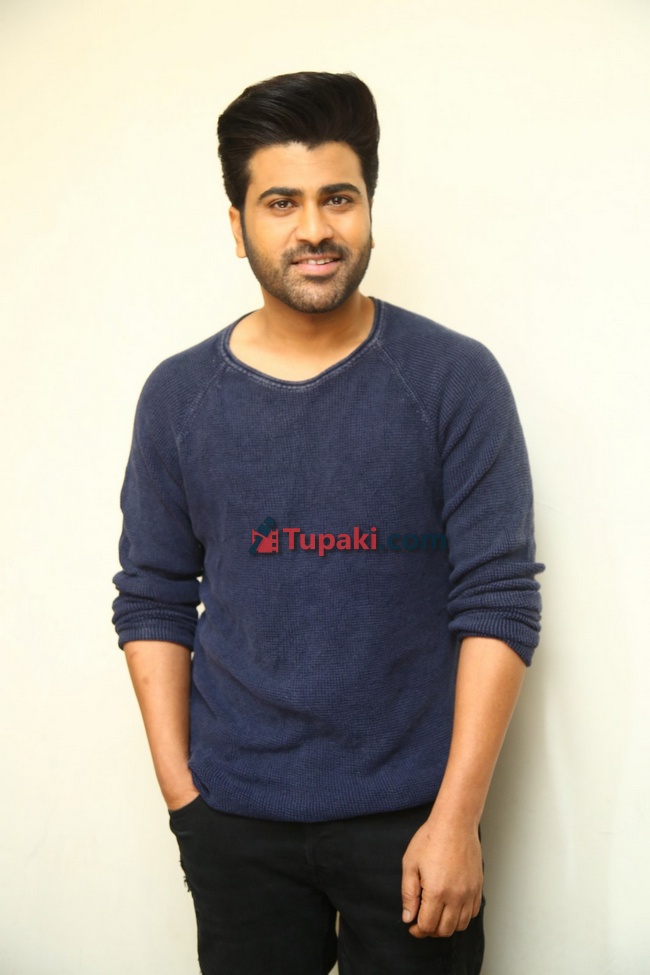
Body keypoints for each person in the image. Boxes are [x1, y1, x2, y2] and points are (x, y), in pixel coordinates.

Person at [112, 71, 543, 975]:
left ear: (369, 210)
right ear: (238, 226)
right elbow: (152, 595)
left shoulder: (453, 380)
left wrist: (457, 819)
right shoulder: (179, 398)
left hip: (414, 822)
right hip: (235, 823)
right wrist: (186, 802)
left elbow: (498, 600)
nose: (314, 228)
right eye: (282, 202)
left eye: (338, 198)